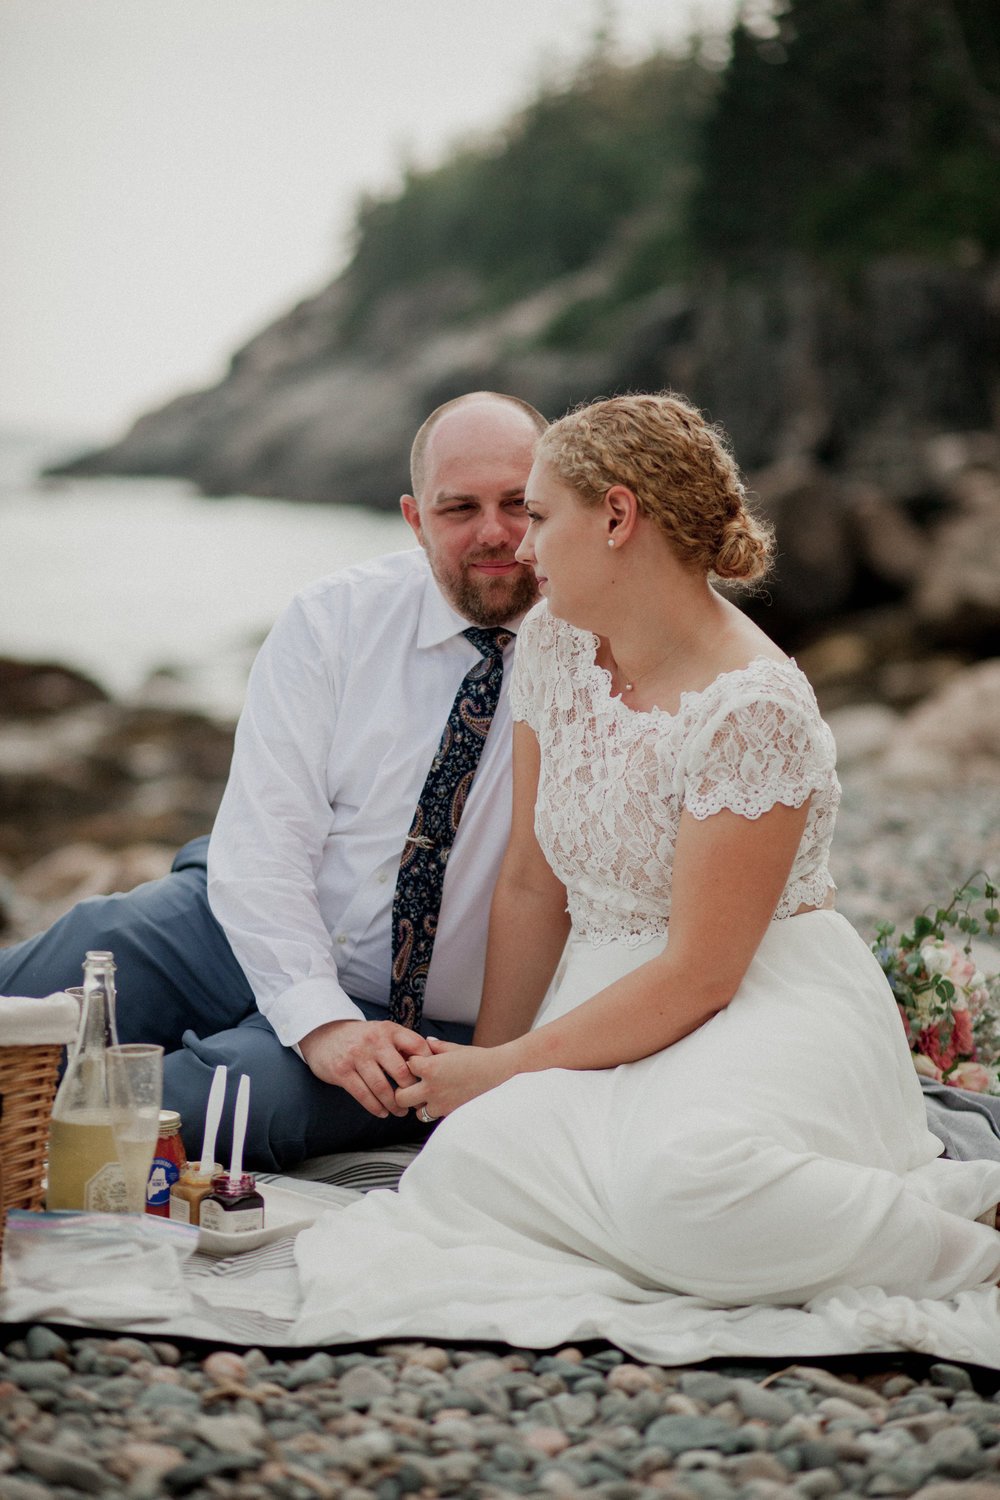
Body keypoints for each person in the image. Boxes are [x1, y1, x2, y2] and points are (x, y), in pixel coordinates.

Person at [292, 392, 1000, 1355]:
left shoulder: (754, 706)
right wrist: (482, 1088)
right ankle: (689, 1228)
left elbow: (703, 974)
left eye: (539, 516)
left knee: (685, 1184)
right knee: (463, 1173)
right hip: (602, 994)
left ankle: (961, 1245)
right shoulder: (552, 646)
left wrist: (501, 1065)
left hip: (759, 1000)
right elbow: (533, 887)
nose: (523, 548)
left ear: (617, 517)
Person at [0, 391, 546, 1169]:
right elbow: (265, 841)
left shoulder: (601, 662)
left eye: (518, 504)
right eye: (459, 507)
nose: (493, 531)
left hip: (415, 1017)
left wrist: (359, 1031)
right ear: (415, 519)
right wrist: (316, 1016)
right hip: (230, 923)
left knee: (207, 1107)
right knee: (86, 952)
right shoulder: (333, 619)